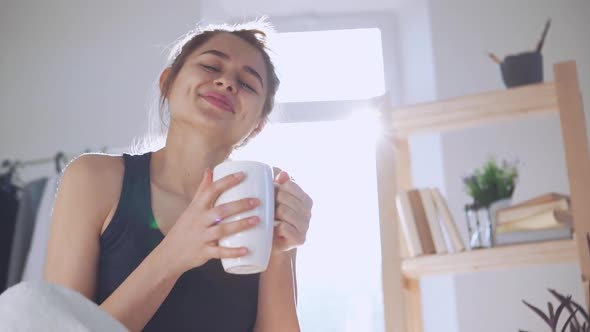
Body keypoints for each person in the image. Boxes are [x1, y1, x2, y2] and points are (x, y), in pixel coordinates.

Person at [44, 19, 313, 332]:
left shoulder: (263, 206)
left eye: (249, 84)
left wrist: (281, 254)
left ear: (257, 125)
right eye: (212, 66)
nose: (227, 83)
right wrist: (174, 253)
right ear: (167, 82)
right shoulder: (93, 179)